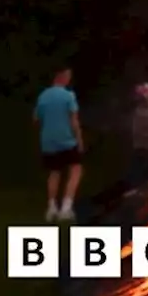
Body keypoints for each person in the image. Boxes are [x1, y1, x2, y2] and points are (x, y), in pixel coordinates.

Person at [34, 67, 84, 222]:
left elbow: (36, 119)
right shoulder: (69, 96)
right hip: (67, 140)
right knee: (76, 169)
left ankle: (51, 208)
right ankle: (66, 208)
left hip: (48, 141)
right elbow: (74, 120)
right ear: (61, 76)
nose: (69, 79)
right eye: (68, 76)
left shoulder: (43, 96)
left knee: (54, 173)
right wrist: (79, 139)